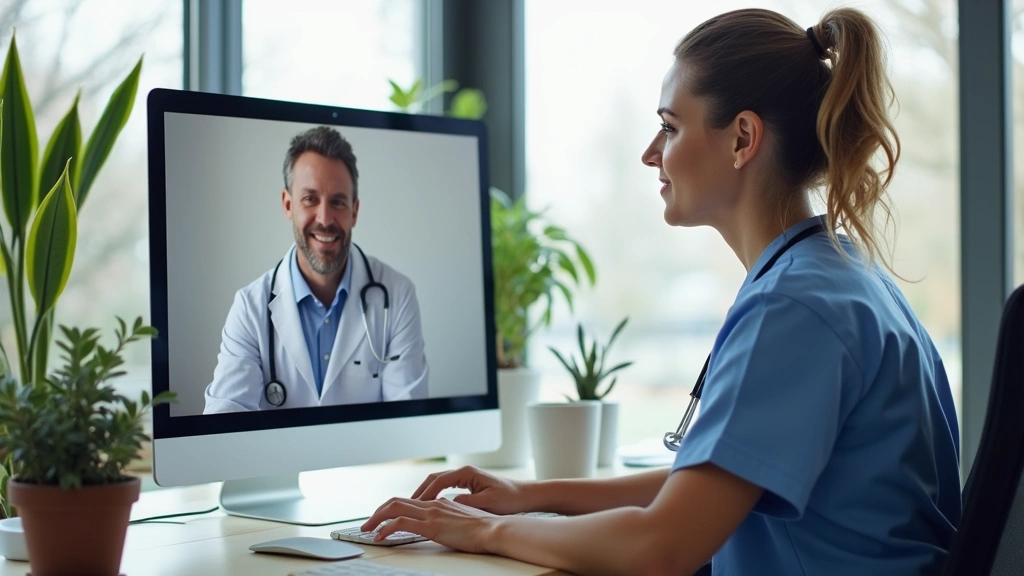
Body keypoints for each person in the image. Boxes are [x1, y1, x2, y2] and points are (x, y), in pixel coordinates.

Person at [358, 7, 961, 576]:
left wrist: (480, 532)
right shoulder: (842, 278)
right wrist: (532, 495)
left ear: (742, 138)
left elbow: (661, 547)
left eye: (669, 128)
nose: (651, 154)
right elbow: (710, 485)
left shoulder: (795, 308)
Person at [204, 126, 429, 413]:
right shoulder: (250, 308)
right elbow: (223, 428)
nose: (325, 219)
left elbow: (411, 424)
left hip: (372, 460)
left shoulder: (397, 295)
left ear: (354, 212)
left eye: (337, 202)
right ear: (288, 205)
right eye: (310, 199)